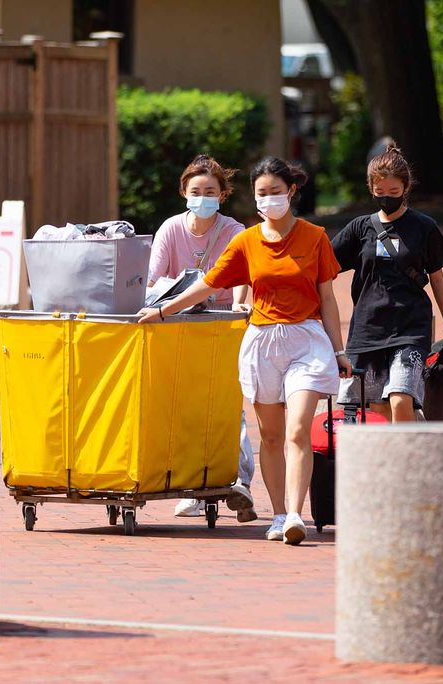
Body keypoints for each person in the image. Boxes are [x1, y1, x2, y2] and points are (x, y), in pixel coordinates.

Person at [138, 157, 352, 545]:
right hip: (262, 342)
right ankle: (279, 514)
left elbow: (328, 298)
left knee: (299, 428)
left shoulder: (314, 236)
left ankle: (295, 516)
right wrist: (162, 310)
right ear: (254, 199)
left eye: (276, 192)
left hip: (305, 339)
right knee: (271, 436)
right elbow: (206, 284)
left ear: (291, 192)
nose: (269, 199)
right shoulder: (247, 241)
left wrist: (339, 350)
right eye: (262, 193)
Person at [149, 154, 257, 523]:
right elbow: (153, 279)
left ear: (222, 195)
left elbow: (243, 276)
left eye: (210, 191)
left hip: (221, 325)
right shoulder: (170, 229)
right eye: (196, 190)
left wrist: (241, 306)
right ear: (184, 192)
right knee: (183, 405)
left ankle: (239, 481)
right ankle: (191, 486)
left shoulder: (234, 231)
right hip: (179, 324)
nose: (202, 196)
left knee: (228, 405)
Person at [330, 142, 443, 423]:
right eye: (379, 193)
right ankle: (414, 439)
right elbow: (323, 267)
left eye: (393, 192)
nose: (386, 198)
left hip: (410, 327)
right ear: (370, 189)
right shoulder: (359, 228)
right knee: (376, 408)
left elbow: (437, 278)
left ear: (406, 188)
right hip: (367, 329)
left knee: (401, 399)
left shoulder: (423, 227)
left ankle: (407, 464)